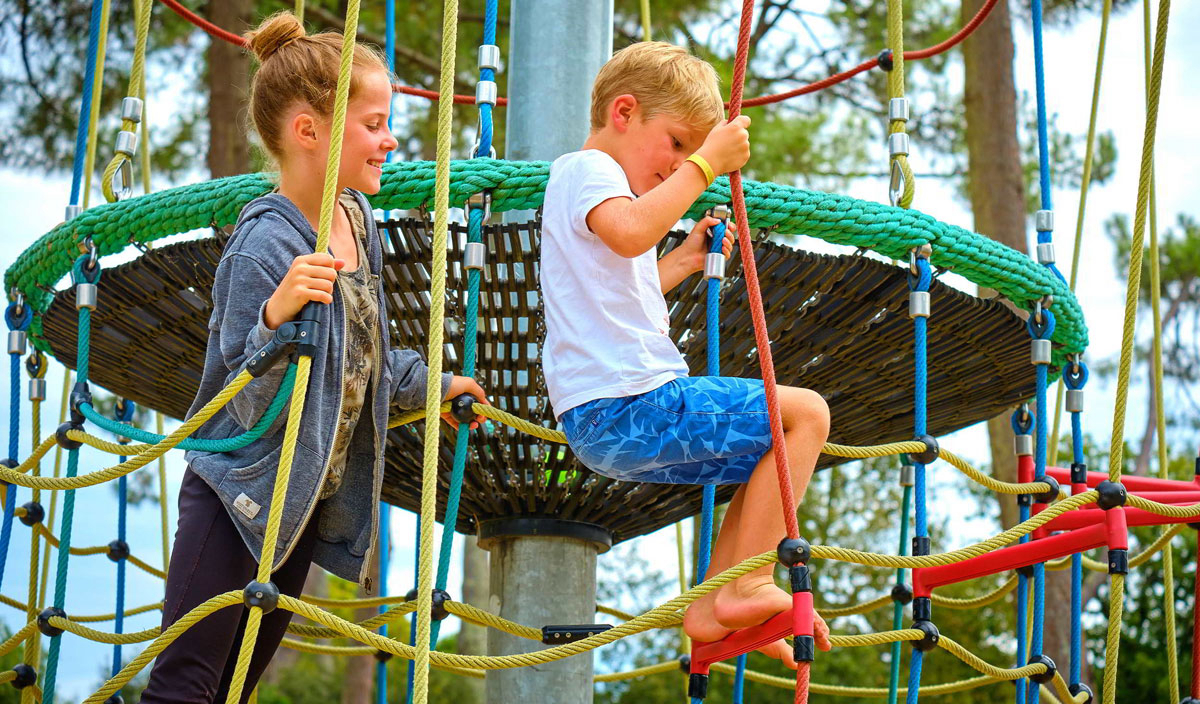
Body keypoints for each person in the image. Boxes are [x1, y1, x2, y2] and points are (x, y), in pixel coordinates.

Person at [140, 13, 487, 701]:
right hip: (236, 497)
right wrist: (276, 317)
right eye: (374, 123)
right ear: (308, 131)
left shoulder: (356, 220)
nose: (390, 139)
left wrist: (436, 385)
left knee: (236, 689)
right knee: (185, 685)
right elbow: (243, 398)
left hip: (302, 503)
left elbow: (365, 357)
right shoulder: (265, 244)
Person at [541, 42, 831, 667]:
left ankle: (713, 605)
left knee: (768, 456)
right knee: (805, 415)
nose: (678, 164)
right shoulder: (589, 169)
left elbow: (619, 285)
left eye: (687, 151)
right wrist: (705, 163)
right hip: (631, 403)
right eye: (675, 142)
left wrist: (685, 259)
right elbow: (630, 232)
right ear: (624, 113)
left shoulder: (594, 190)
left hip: (607, 420)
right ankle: (747, 584)